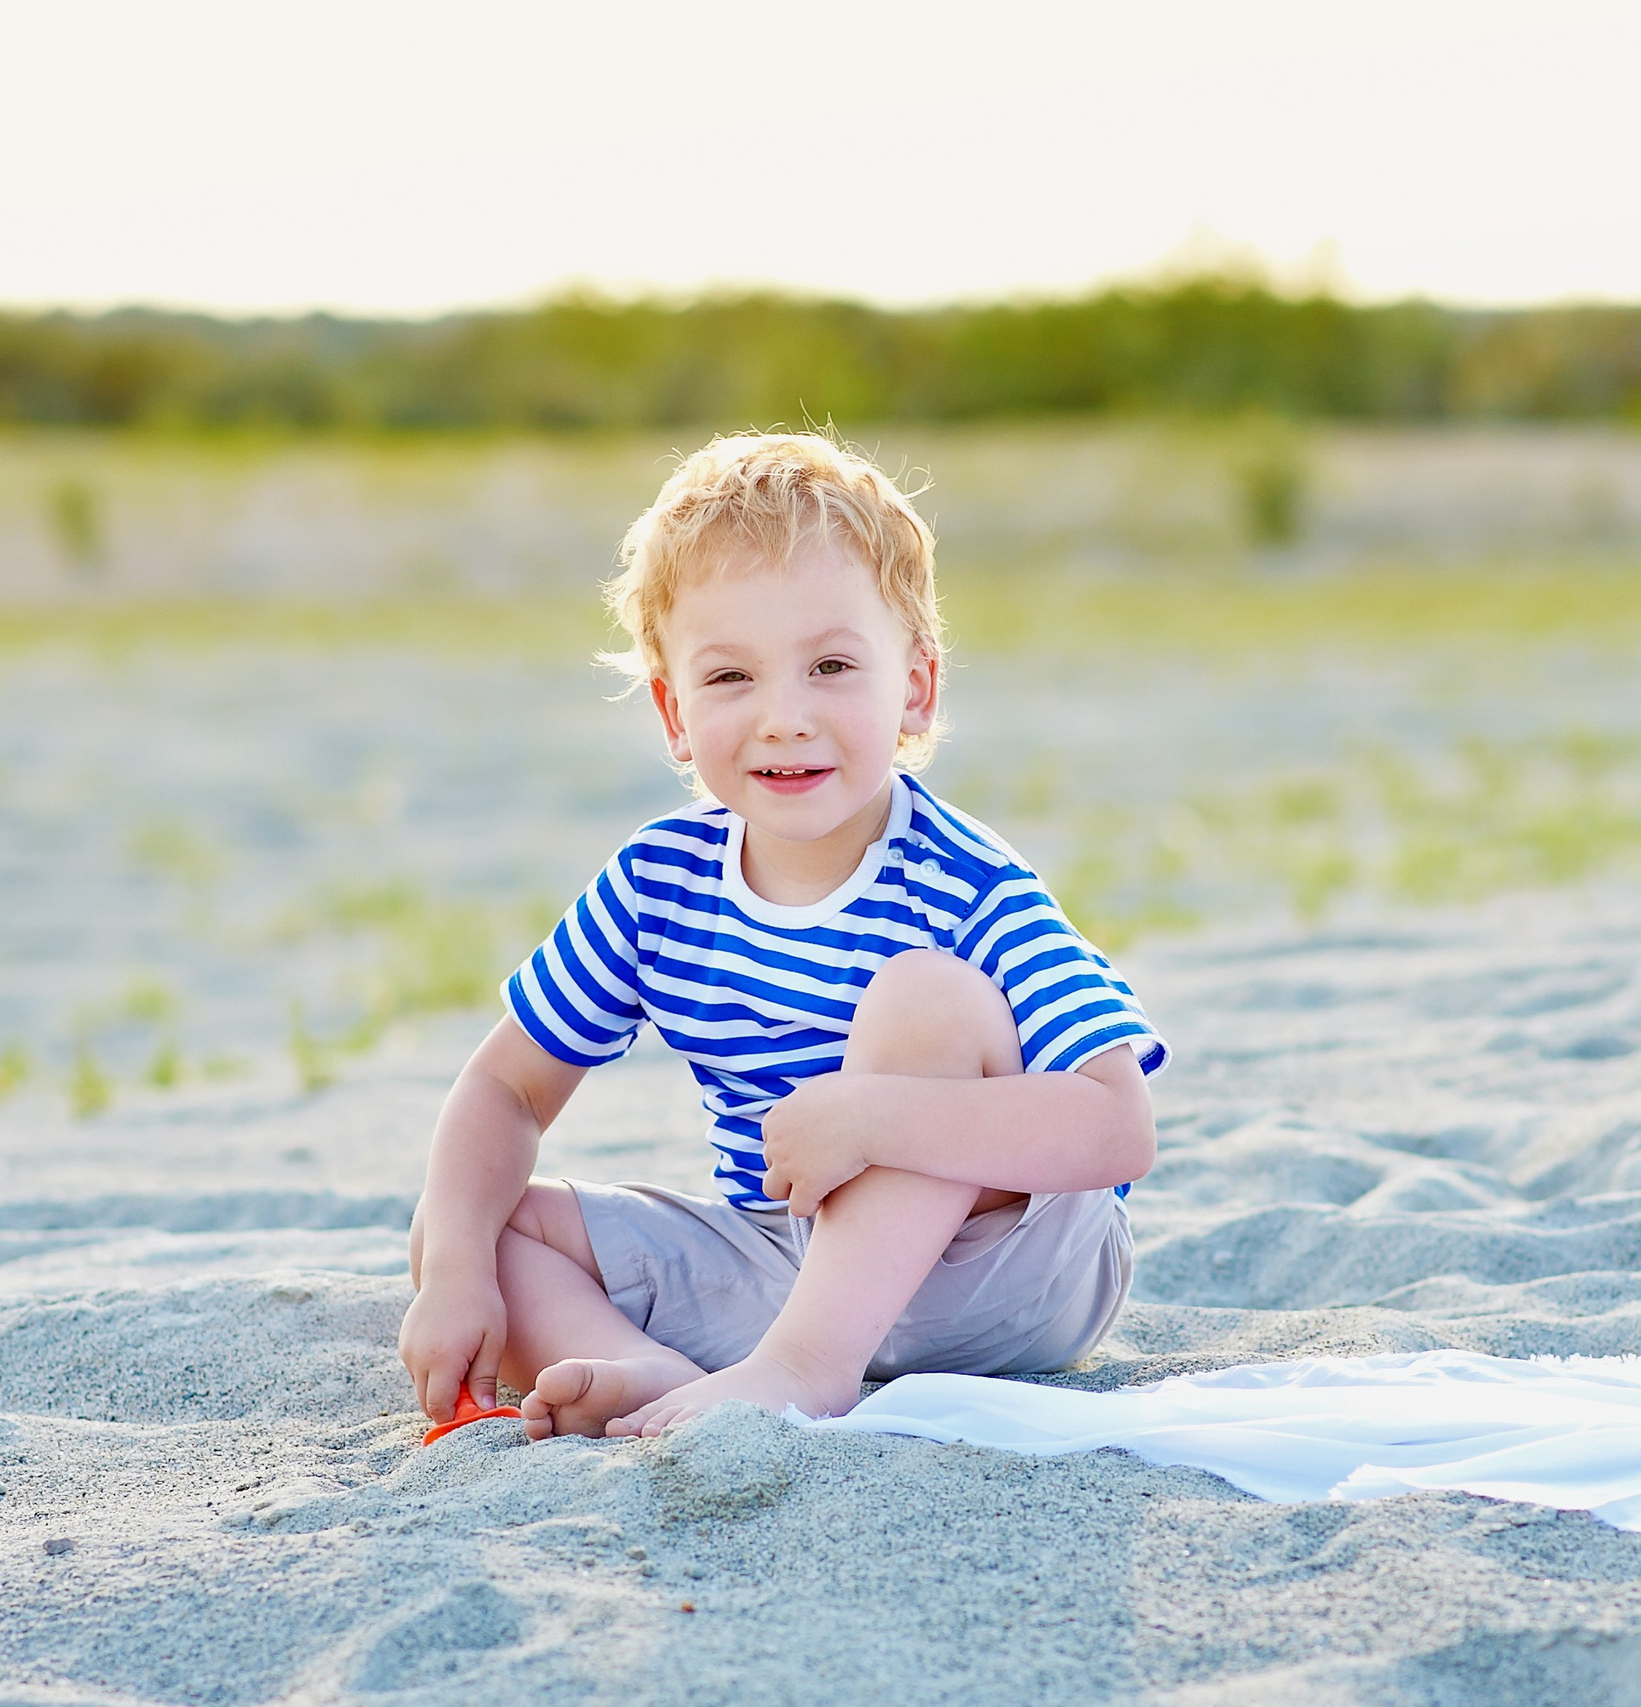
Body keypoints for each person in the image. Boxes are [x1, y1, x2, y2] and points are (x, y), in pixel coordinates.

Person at [397, 431, 1166, 1439]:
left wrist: (877, 1119)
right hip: (794, 1266)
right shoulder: (659, 884)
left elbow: (1116, 1128)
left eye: (833, 666)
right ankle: (645, 1370)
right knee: (483, 1217)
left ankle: (805, 1369)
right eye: (730, 680)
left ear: (916, 690)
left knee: (924, 995)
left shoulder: (964, 880)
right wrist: (452, 1272)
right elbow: (503, 1092)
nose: (783, 717)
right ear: (674, 713)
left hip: (1009, 1275)